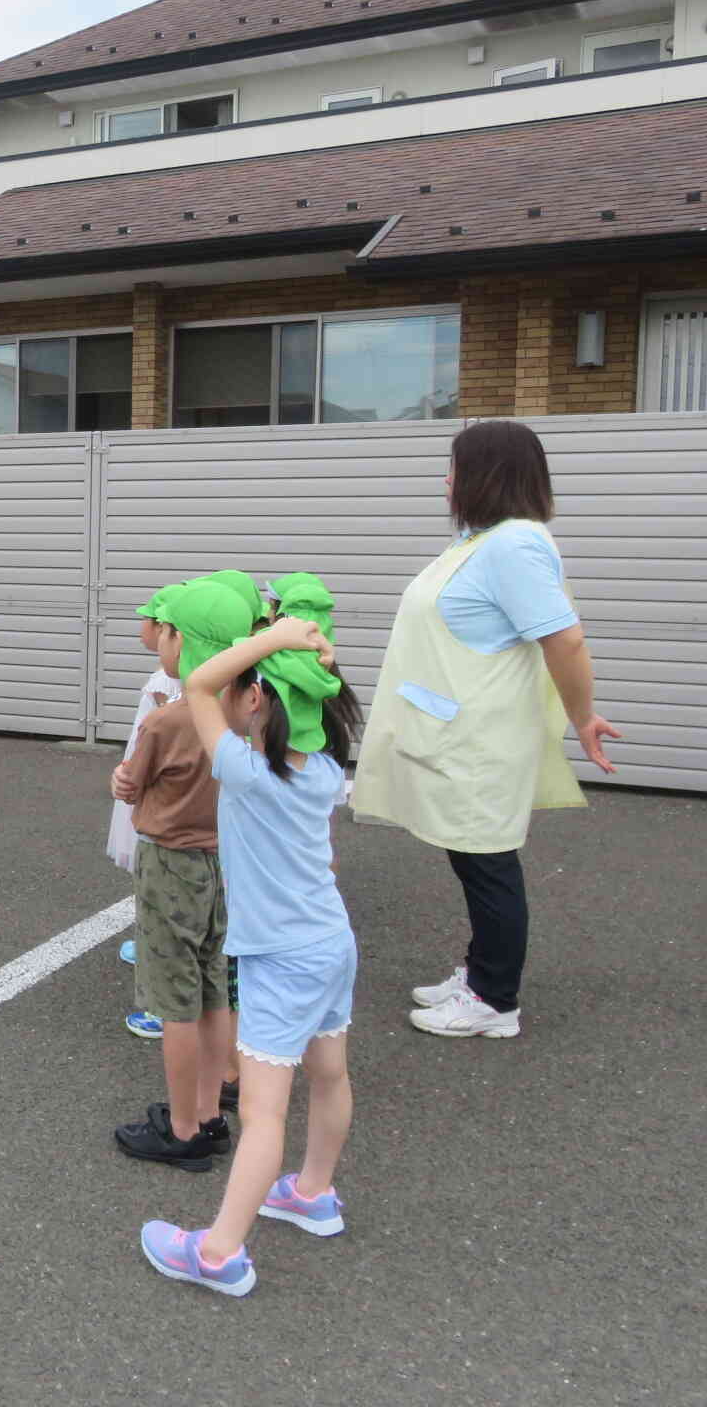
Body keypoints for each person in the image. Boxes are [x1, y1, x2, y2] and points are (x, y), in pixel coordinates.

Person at [352, 420, 622, 1040]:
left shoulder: (514, 546)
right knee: (473, 858)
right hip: (456, 735)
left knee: (488, 863)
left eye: (454, 468)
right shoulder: (483, 541)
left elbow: (565, 638)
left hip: (479, 742)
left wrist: (583, 717)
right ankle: (480, 972)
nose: (446, 481)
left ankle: (494, 1000)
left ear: (484, 476)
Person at [140, 610, 362, 1299]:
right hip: (332, 944)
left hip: (279, 959)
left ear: (257, 698)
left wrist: (271, 640)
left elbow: (198, 686)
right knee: (329, 1075)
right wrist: (308, 653)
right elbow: (221, 689)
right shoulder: (323, 769)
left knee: (263, 1113)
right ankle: (313, 1192)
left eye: (247, 684)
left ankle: (217, 1251)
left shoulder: (243, 770)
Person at [111, 579, 253, 1173]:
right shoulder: (245, 713)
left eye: (166, 630)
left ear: (182, 642)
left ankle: (183, 1128)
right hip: (225, 863)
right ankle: (211, 1112)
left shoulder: (167, 722)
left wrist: (121, 782)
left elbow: (132, 783)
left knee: (174, 1000)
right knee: (214, 989)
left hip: (171, 862)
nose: (159, 639)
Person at [108, 585, 186, 1041]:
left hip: (167, 819)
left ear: (170, 632)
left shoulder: (167, 687)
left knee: (170, 903)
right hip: (172, 815)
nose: (142, 626)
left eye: (150, 619)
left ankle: (167, 1005)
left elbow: (154, 752)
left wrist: (129, 781)